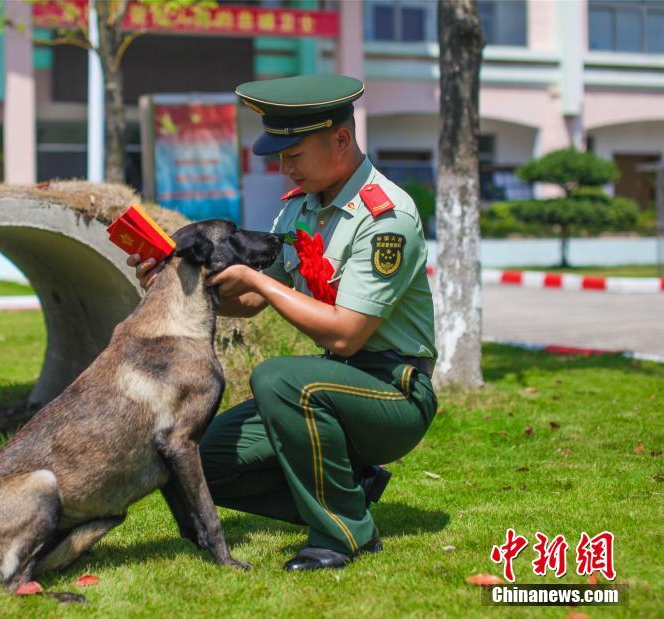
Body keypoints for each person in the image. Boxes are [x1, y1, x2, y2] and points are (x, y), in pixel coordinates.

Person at [128, 74, 438, 571]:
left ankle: (343, 535)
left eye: (293, 154)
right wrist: (176, 284)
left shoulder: (385, 218)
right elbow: (248, 299)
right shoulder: (301, 210)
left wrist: (269, 285)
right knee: (200, 461)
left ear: (341, 139)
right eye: (279, 155)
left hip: (394, 391)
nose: (282, 166)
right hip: (333, 382)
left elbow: (346, 332)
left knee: (278, 379)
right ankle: (348, 493)